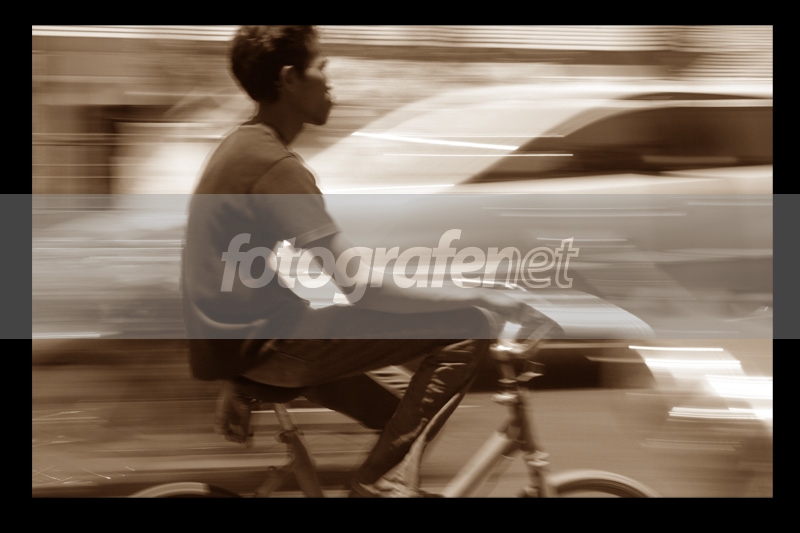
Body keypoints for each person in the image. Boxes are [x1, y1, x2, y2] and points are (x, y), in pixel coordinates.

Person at [181, 25, 551, 497]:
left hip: (252, 350)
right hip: (275, 347)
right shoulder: (274, 167)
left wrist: (235, 375)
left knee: (402, 417)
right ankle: (377, 485)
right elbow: (361, 286)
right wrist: (487, 295)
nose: (330, 81)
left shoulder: (240, 148)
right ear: (289, 78)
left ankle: (381, 478)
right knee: (469, 325)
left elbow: (222, 275)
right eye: (321, 68)